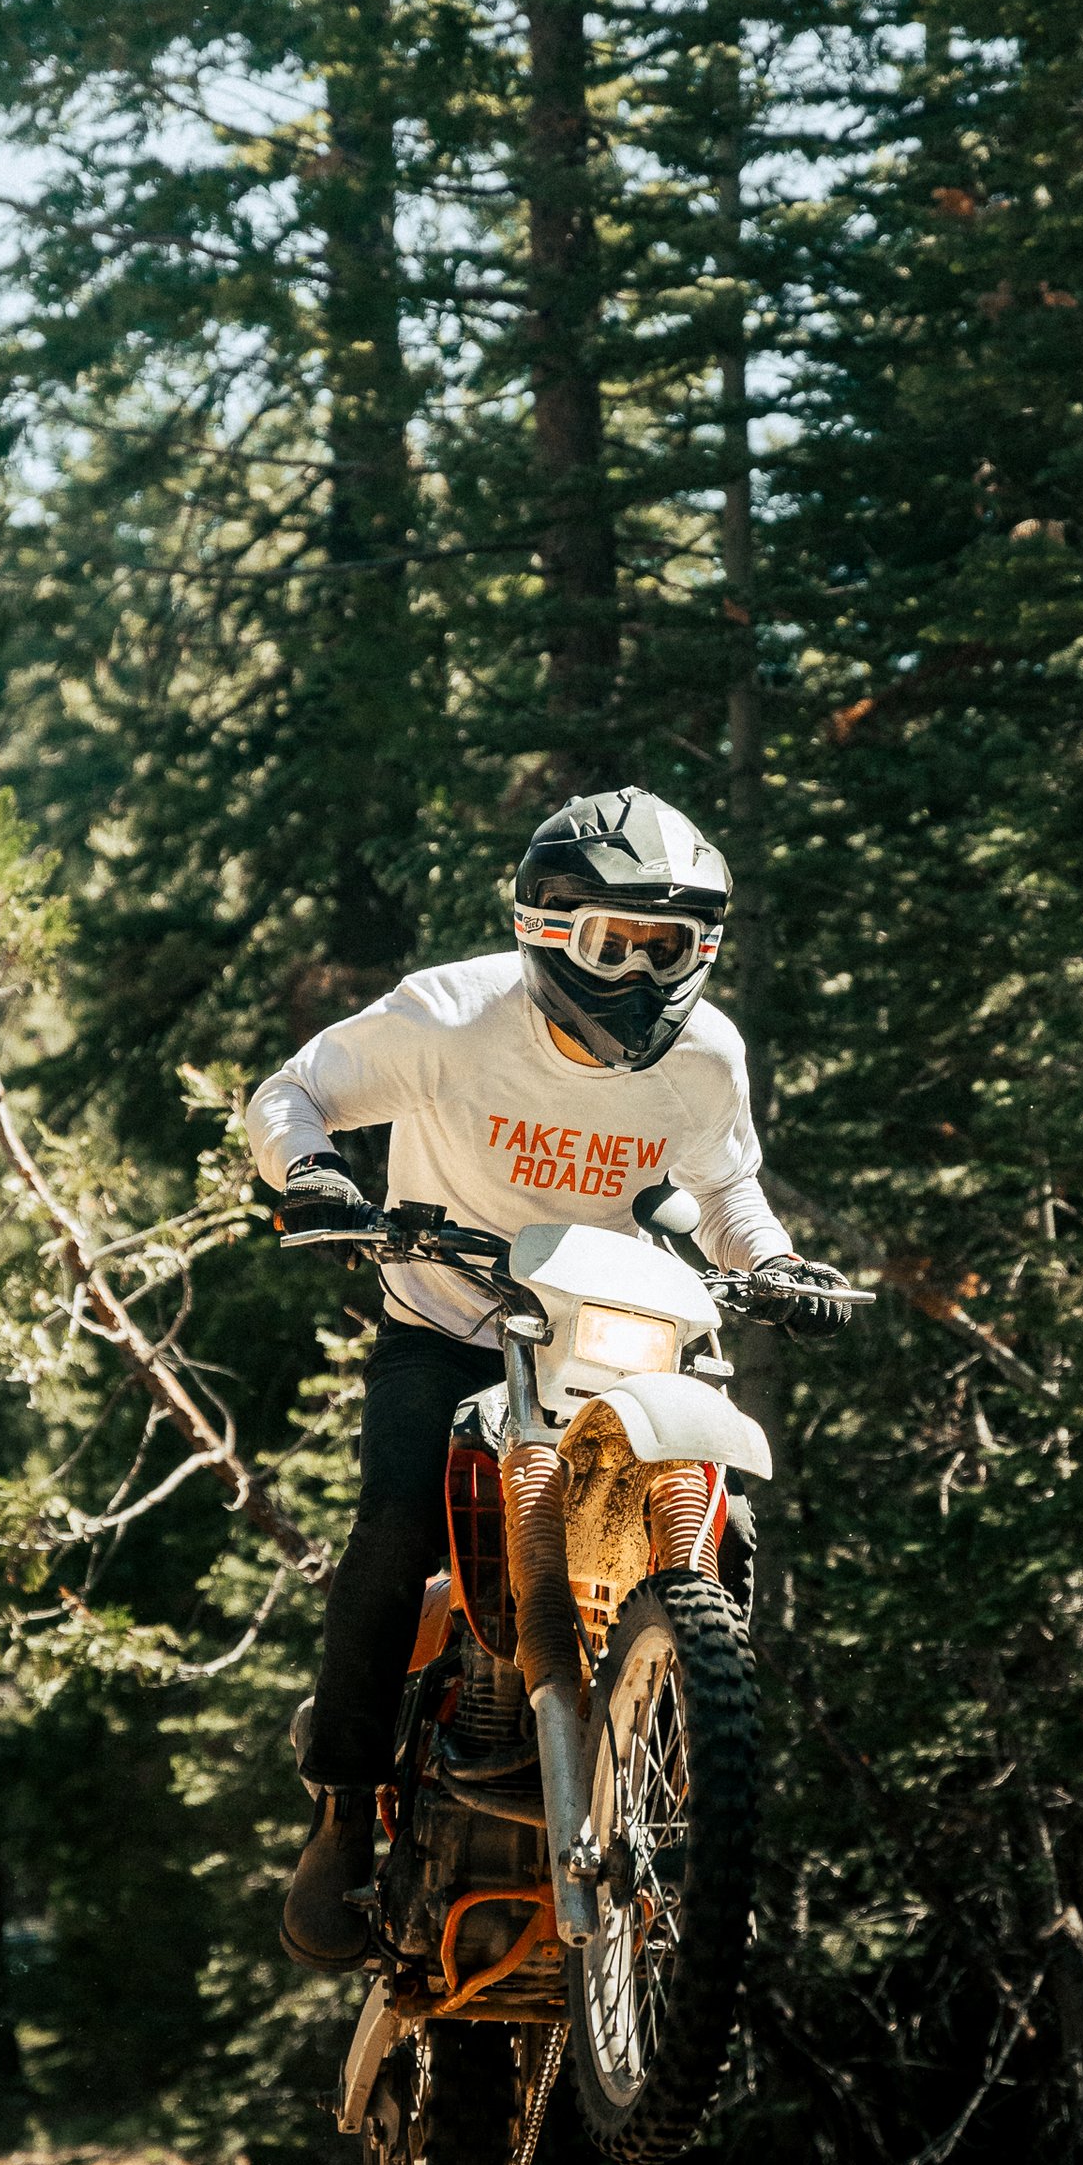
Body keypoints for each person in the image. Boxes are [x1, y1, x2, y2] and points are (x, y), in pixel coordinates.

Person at [245, 783, 856, 1967]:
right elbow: (292, 1091)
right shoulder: (451, 1017)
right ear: (545, 927)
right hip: (452, 1320)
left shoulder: (706, 1057)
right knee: (394, 1525)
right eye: (615, 942)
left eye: (669, 946)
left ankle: (683, 1778)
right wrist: (312, 1175)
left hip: (616, 1332)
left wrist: (776, 1265)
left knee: (718, 1522)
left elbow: (725, 1189)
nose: (641, 973)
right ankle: (341, 1813)